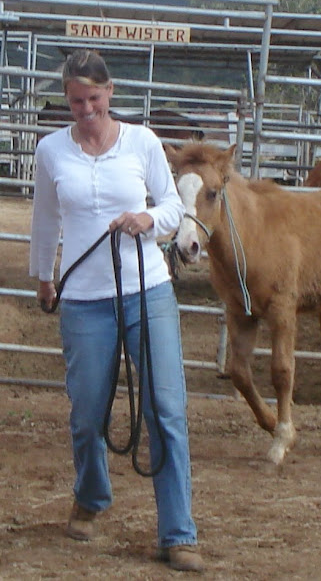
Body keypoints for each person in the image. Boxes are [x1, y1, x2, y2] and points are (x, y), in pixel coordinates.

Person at [29, 49, 204, 573]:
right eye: (77, 101)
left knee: (165, 410)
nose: (85, 110)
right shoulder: (51, 151)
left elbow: (175, 205)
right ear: (67, 99)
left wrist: (146, 218)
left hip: (147, 289)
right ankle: (91, 493)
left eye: (94, 100)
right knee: (86, 413)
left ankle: (178, 533)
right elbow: (44, 219)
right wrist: (44, 277)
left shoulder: (143, 142)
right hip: (83, 297)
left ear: (111, 93)